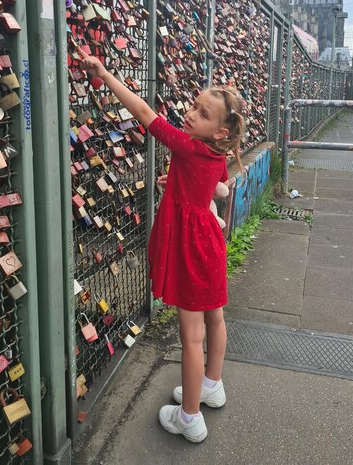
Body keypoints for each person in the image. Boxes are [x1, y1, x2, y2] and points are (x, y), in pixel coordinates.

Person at [77, 47, 245, 443]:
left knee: (190, 336)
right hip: (210, 242)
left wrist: (103, 71)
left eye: (202, 114)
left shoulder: (189, 147)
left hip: (192, 247)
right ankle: (211, 386)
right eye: (194, 106)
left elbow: (144, 114)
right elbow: (218, 184)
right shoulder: (215, 151)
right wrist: (188, 189)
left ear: (220, 131)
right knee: (214, 319)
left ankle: (189, 417)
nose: (190, 114)